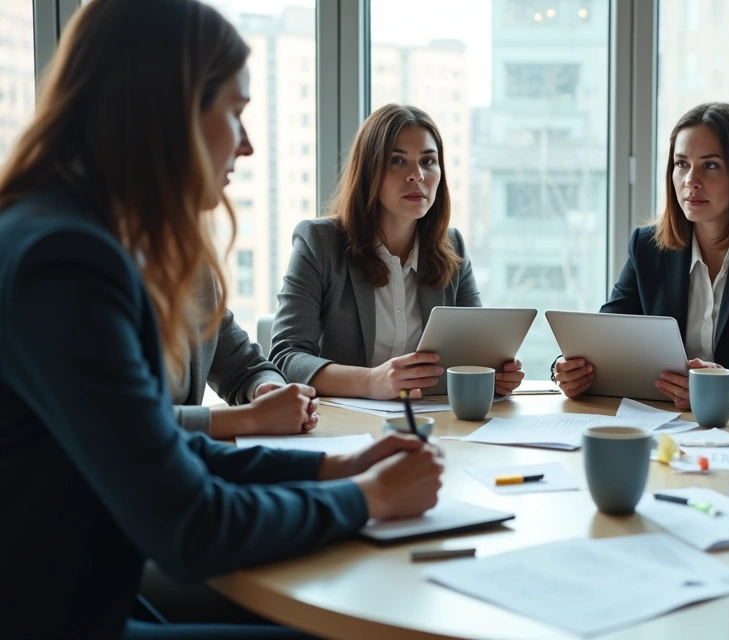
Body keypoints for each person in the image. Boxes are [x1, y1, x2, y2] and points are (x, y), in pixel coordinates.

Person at [0, 1, 443, 637]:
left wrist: (333, 467)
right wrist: (367, 498)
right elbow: (190, 526)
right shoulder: (66, 262)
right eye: (234, 112)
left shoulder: (68, 231)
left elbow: (162, 446)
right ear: (168, 108)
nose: (247, 142)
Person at [553, 102, 729, 408]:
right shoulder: (647, 246)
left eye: (710, 165)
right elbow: (602, 339)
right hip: (663, 421)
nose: (690, 181)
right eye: (681, 164)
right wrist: (567, 371)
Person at [270, 105, 524, 400]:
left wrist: (496, 375)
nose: (417, 175)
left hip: (430, 423)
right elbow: (286, 356)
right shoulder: (319, 243)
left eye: (428, 161)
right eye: (397, 161)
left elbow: (477, 352)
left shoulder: (452, 247)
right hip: (344, 427)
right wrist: (371, 382)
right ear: (368, 171)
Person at [173, 263, 320, 439]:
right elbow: (137, 422)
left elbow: (243, 365)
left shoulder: (195, 267)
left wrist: (268, 390)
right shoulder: (132, 276)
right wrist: (253, 418)